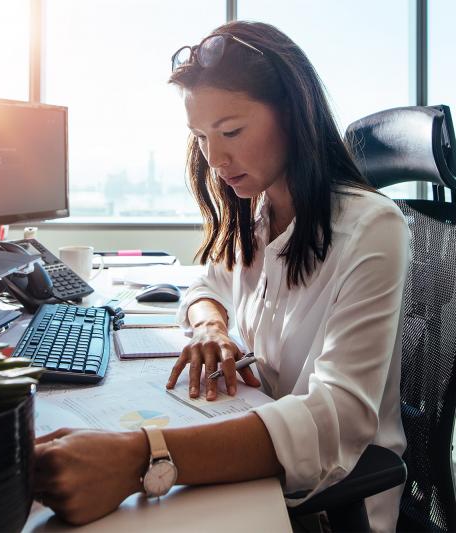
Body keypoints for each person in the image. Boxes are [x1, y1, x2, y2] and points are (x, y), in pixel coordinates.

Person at [34, 20, 408, 533]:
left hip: (326, 499)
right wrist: (211, 327)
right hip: (253, 450)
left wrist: (139, 458)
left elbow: (338, 417)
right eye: (201, 137)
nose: (215, 159)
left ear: (294, 116)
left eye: (232, 131)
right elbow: (206, 287)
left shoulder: (372, 227)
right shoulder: (257, 214)